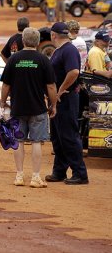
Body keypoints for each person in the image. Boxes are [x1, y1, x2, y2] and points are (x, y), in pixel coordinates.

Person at [1, 27, 57, 188]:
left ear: (23, 41)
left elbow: (6, 85)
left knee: (18, 141)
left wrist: (3, 102)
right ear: (38, 42)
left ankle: (19, 176)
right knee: (36, 142)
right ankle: (35, 177)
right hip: (38, 107)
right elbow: (51, 86)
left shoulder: (14, 59)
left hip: (18, 107)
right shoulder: (43, 60)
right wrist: (53, 104)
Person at [45, 22, 89, 185]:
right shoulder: (60, 50)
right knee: (57, 136)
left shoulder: (69, 50)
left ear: (53, 35)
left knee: (69, 136)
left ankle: (80, 173)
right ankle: (59, 170)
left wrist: (60, 90)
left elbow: (74, 72)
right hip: (58, 100)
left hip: (66, 99)